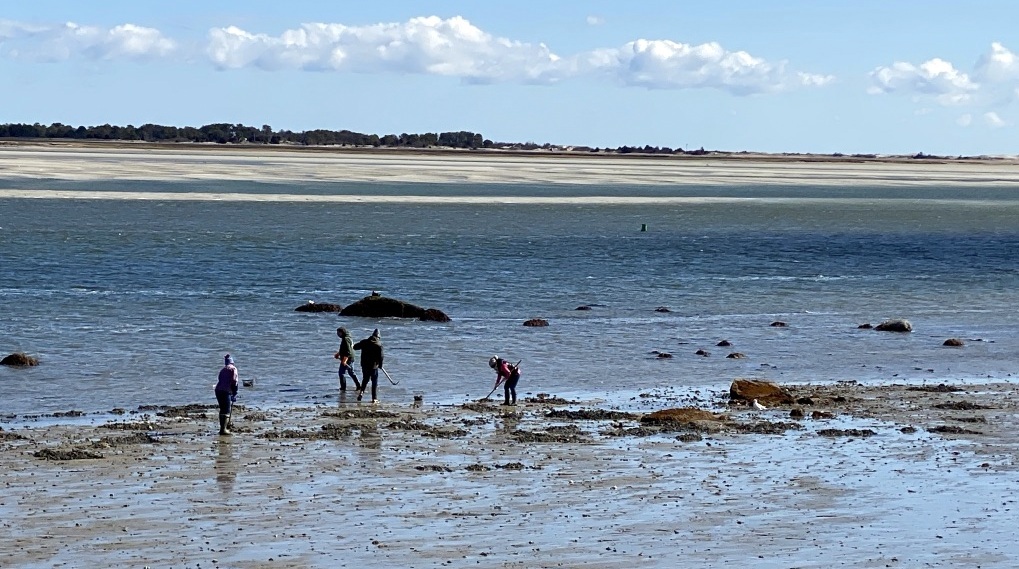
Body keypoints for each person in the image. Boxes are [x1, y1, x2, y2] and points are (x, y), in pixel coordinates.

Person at [353, 328, 384, 403]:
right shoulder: (379, 345)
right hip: (373, 366)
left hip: (364, 365)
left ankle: (361, 393)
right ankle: (374, 398)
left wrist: (353, 345)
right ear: (378, 337)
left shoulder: (364, 342)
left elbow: (355, 347)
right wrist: (380, 365)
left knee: (365, 379)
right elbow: (381, 357)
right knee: (374, 381)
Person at [215, 354, 239, 435]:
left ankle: (222, 427)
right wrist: (234, 392)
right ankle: (224, 429)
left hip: (218, 390)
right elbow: (234, 381)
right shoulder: (233, 369)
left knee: (222, 408)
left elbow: (219, 379)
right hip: (226, 391)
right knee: (227, 410)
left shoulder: (223, 369)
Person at [334, 327, 360, 392]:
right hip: (350, 357)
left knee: (341, 373)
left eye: (338, 333)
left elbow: (348, 351)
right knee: (351, 372)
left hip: (348, 358)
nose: (337, 334)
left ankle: (343, 388)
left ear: (341, 332)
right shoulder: (348, 337)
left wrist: (344, 360)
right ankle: (358, 386)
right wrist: (338, 353)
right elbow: (344, 348)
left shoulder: (345, 339)